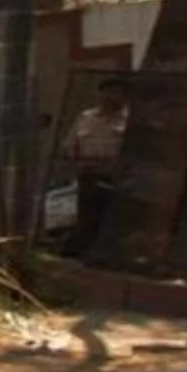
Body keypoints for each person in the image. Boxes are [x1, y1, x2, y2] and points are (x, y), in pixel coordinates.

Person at [67, 77, 129, 256]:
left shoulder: (129, 121)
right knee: (87, 218)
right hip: (89, 175)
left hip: (116, 178)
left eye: (116, 93)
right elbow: (71, 145)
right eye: (106, 92)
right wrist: (78, 164)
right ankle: (85, 253)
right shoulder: (86, 118)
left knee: (112, 220)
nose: (110, 97)